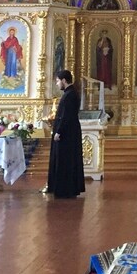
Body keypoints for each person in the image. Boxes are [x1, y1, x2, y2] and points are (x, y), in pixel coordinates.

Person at [47, 70, 85, 198]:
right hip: (69, 131)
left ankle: (65, 189)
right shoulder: (69, 93)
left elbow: (66, 116)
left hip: (67, 133)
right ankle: (65, 188)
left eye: (58, 81)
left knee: (65, 160)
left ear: (64, 80)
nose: (57, 84)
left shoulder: (70, 95)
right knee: (66, 160)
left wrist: (59, 131)